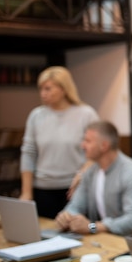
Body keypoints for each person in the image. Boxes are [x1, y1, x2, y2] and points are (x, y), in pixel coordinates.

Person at [55, 120, 132, 244]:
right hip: (108, 237)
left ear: (104, 146)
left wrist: (92, 227)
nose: (82, 145)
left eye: (88, 141)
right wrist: (66, 216)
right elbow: (75, 206)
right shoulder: (90, 172)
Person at [19, 66, 99, 219]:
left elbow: (96, 152)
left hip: (75, 190)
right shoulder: (36, 116)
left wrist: (82, 173)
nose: (43, 94)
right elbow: (28, 153)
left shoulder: (86, 114)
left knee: (77, 235)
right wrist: (26, 192)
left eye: (48, 89)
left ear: (64, 89)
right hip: (43, 189)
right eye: (41, 89)